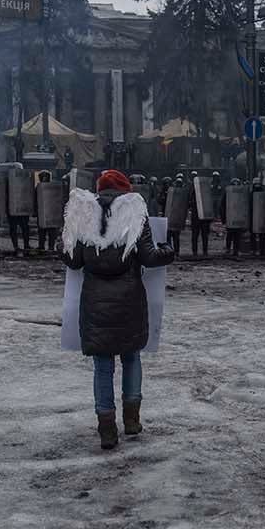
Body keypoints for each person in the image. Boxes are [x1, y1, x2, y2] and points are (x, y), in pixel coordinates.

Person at [63, 169, 175, 451]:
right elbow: (150, 257)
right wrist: (168, 249)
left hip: (95, 305)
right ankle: (132, 420)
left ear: (99, 189)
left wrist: (60, 243)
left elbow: (73, 261)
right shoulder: (134, 212)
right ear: (126, 189)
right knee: (131, 358)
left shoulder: (84, 214)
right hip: (129, 301)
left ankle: (107, 430)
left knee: (102, 366)